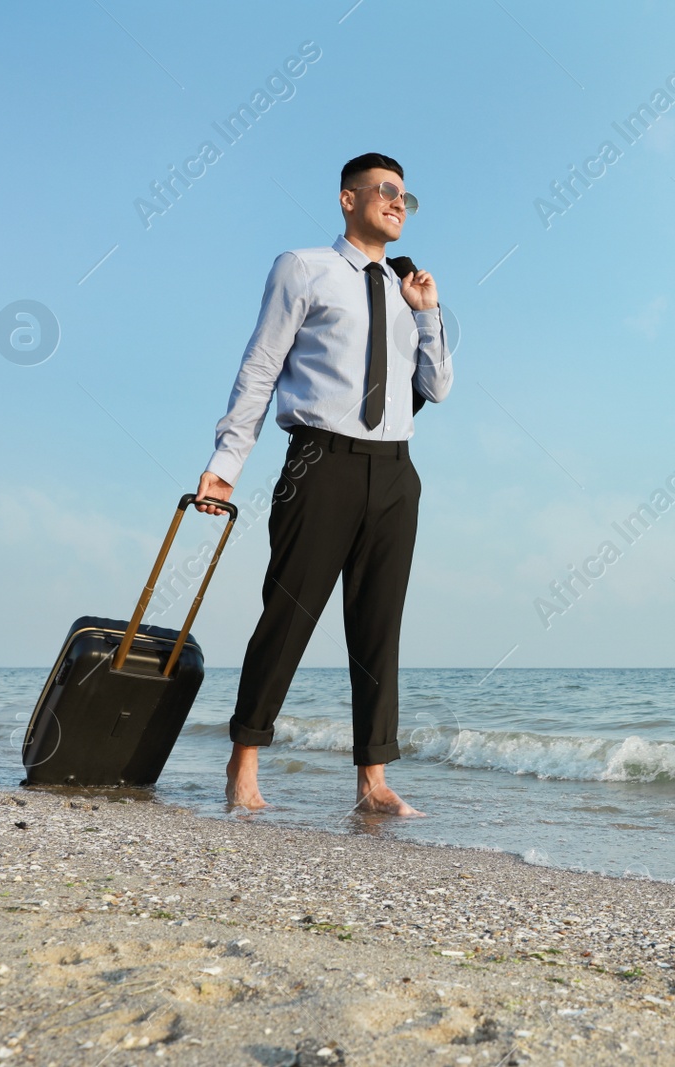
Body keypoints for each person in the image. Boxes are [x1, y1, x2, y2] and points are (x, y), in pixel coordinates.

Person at [193, 151, 451, 814]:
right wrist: (225, 466)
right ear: (348, 198)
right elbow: (259, 369)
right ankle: (243, 764)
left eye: (406, 196)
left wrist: (428, 313)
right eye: (386, 191)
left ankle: (373, 780)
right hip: (320, 461)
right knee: (289, 612)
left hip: (396, 471)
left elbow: (437, 388)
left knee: (378, 628)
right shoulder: (302, 268)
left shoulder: (406, 285)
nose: (399, 202)